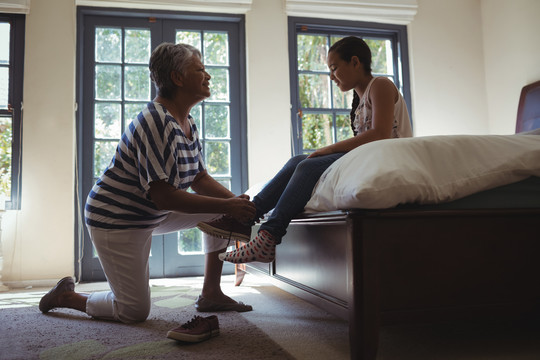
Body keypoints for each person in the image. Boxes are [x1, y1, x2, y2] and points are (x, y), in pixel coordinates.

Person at [39, 43, 256, 323]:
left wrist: (238, 205)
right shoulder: (155, 121)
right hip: (116, 219)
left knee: (222, 211)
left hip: (148, 214)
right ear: (177, 78)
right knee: (134, 311)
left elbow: (199, 179)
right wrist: (231, 205)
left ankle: (211, 293)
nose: (208, 75)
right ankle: (66, 297)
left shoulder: (187, 122)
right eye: (200, 69)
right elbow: (164, 197)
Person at [198, 36, 412, 264]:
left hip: (386, 157)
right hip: (368, 156)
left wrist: (327, 149)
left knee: (307, 165)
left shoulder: (381, 84)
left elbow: (379, 134)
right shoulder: (360, 99)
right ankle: (247, 216)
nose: (331, 76)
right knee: (296, 161)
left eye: (334, 68)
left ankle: (268, 236)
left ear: (355, 62)